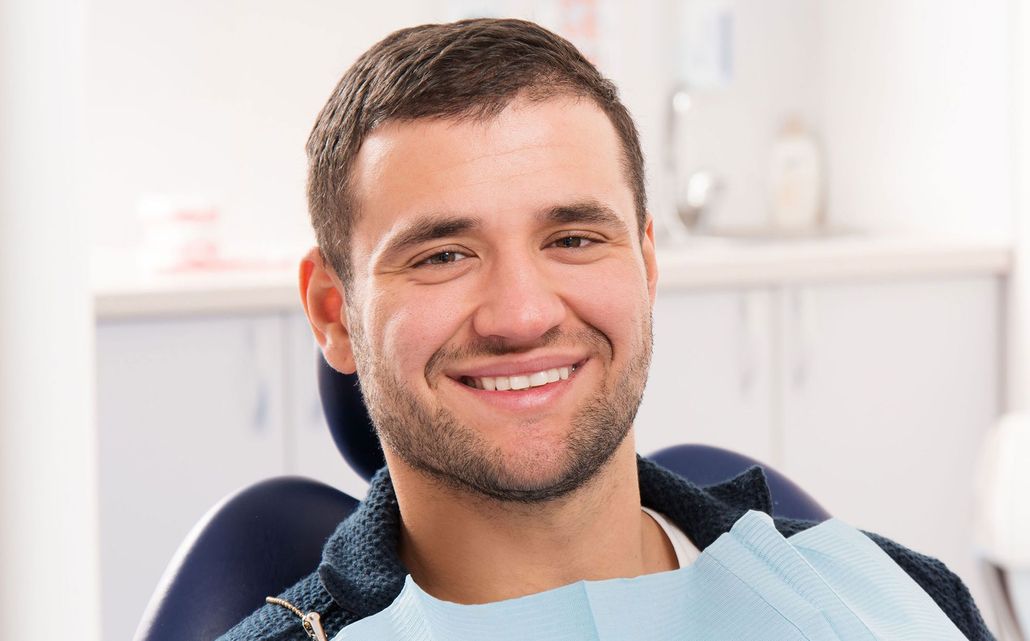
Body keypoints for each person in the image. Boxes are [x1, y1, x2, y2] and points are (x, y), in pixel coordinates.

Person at [220, 17, 993, 641]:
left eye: (574, 240)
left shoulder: (897, 596)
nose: (523, 314)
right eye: (444, 255)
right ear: (333, 311)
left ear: (647, 266)